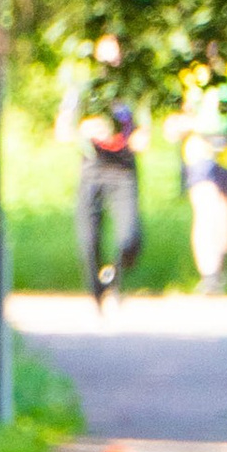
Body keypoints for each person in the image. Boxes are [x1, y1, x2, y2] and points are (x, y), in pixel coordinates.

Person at [56, 34, 145, 310]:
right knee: (89, 240)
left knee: (129, 237)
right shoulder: (83, 90)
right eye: (104, 56)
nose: (109, 63)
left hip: (123, 171)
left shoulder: (131, 90)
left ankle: (115, 278)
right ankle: (97, 290)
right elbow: (62, 130)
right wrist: (83, 129)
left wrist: (136, 139)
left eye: (115, 56)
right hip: (92, 169)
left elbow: (145, 133)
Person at [170, 54, 227, 297]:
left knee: (225, 212)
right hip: (200, 147)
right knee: (206, 206)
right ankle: (209, 275)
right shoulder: (190, 71)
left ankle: (220, 262)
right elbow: (179, 111)